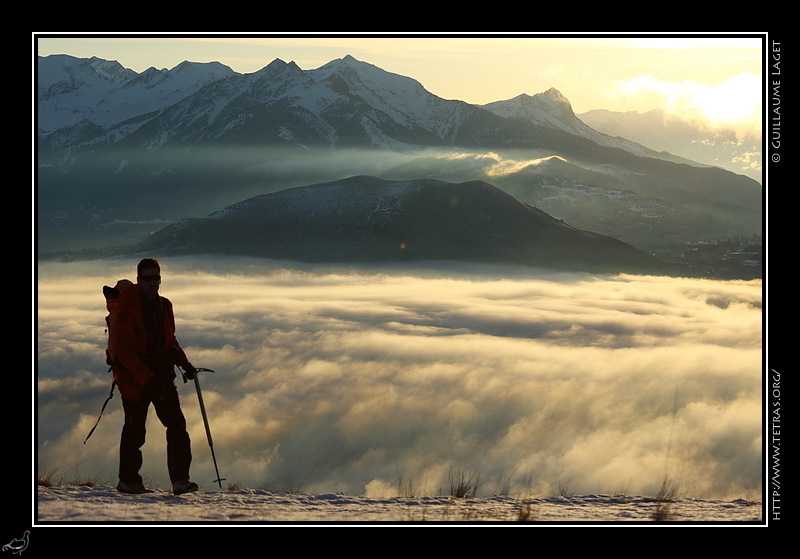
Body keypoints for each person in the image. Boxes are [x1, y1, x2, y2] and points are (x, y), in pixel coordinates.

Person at [106, 258, 199, 495]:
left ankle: (180, 481)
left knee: (176, 425)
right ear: (138, 280)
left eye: (155, 278)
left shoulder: (165, 305)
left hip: (160, 375)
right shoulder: (126, 310)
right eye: (146, 278)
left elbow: (169, 339)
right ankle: (129, 481)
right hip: (134, 380)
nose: (152, 283)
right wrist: (148, 380)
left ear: (160, 279)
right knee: (135, 431)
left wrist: (184, 362)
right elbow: (124, 351)